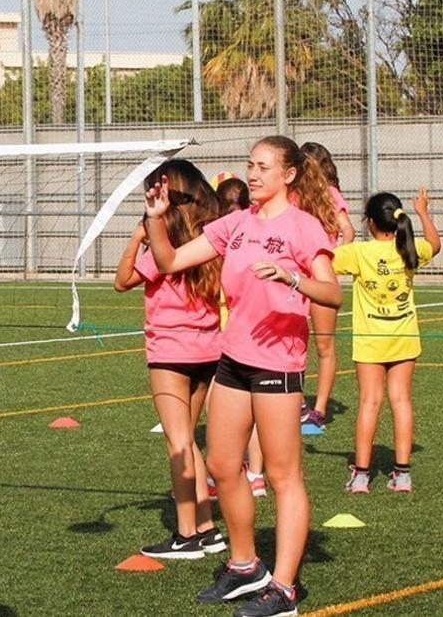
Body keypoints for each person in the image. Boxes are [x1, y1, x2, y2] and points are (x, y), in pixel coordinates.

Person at [146, 137, 342, 617]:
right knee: (222, 465)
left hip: (278, 365)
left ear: (289, 175)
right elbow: (170, 261)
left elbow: (333, 295)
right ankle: (244, 565)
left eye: (263, 166)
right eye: (249, 165)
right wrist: (154, 218)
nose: (252, 174)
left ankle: (285, 590)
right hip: (232, 361)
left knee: (282, 475)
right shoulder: (235, 223)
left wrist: (292, 278)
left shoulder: (303, 226)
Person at [114, 159, 225, 560]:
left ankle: (186, 535)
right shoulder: (209, 242)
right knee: (189, 440)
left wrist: (138, 235)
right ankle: (208, 527)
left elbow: (120, 281)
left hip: (171, 353)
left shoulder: (167, 250)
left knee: (178, 443)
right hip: (209, 350)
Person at [334, 189, 440, 494]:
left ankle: (362, 475)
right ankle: (402, 473)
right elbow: (435, 244)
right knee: (401, 400)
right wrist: (422, 211)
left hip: (370, 339)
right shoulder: (409, 246)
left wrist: (338, 233)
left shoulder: (358, 252)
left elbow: (322, 260)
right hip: (404, 336)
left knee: (369, 401)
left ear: (369, 222)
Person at [214, 175, 266, 499]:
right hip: (245, 330)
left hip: (229, 332)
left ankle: (238, 474)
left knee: (224, 407)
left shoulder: (225, 234)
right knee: (254, 411)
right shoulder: (251, 229)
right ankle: (255, 475)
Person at [299, 142, 355, 429]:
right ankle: (295, 402)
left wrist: (333, 263)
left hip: (320, 281)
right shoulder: (292, 194)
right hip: (293, 278)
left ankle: (318, 410)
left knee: (324, 345)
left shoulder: (330, 195)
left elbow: (347, 230)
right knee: (290, 342)